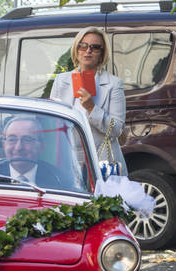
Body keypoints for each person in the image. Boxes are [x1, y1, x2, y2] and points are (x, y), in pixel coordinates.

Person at [50, 27, 127, 176]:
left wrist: (92, 108)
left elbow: (117, 129)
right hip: (68, 161)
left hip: (101, 162)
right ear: (76, 49)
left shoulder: (113, 84)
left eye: (95, 47)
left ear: (102, 53)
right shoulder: (62, 80)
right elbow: (54, 123)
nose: (88, 50)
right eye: (83, 45)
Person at [0, 116, 66, 189]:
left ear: (41, 147)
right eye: (12, 139)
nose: (18, 147)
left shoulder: (60, 180)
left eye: (27, 140)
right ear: (4, 144)